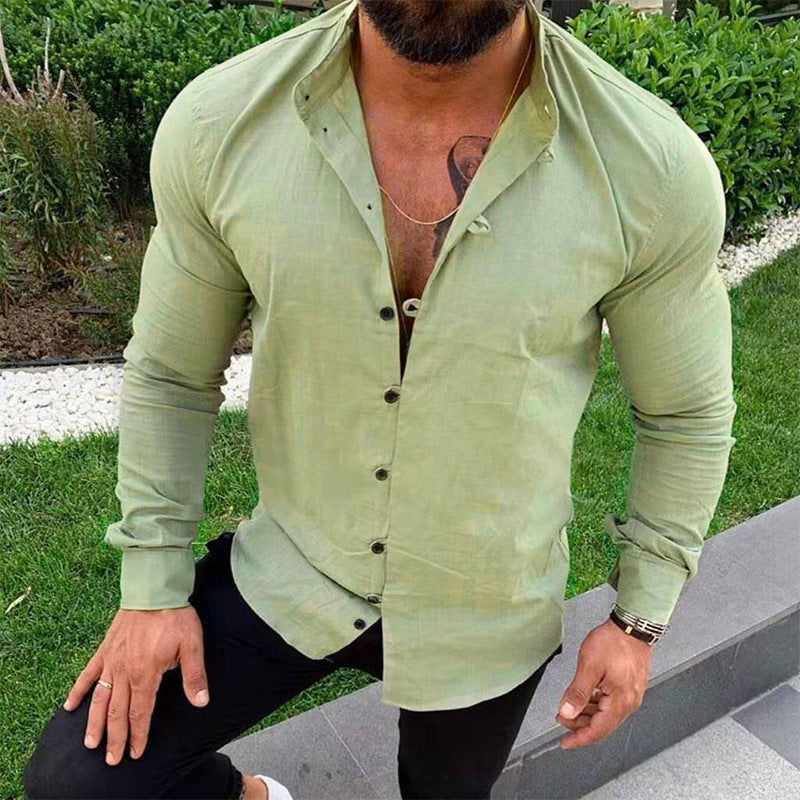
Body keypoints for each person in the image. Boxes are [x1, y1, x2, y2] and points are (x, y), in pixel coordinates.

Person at [22, 0, 737, 798]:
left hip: (484, 603)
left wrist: (638, 621)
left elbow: (685, 414)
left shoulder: (648, 166)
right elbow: (170, 373)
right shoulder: (223, 124)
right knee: (77, 783)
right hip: (297, 567)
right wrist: (153, 586)